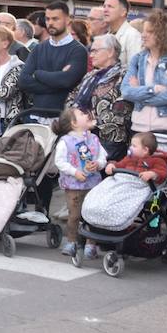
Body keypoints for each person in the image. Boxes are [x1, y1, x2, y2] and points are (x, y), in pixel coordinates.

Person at [65, 34, 132, 161]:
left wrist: (91, 122)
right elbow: (72, 97)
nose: (91, 55)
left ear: (110, 52)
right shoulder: (90, 75)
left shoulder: (123, 74)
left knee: (99, 174)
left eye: (95, 51)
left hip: (108, 138)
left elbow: (123, 107)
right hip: (81, 134)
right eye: (91, 51)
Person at [52, 107, 106, 258]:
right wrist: (74, 172)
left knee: (92, 215)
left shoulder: (94, 139)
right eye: (82, 114)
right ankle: (71, 241)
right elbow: (60, 161)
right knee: (74, 215)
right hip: (73, 185)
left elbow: (103, 156)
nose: (87, 114)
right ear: (73, 123)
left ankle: (91, 244)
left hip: (93, 184)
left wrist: (99, 164)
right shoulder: (66, 142)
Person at [18, 1, 88, 113]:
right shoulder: (39, 48)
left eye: (55, 19)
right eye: (47, 19)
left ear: (68, 20)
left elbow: (66, 81)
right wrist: (59, 85)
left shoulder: (78, 50)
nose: (50, 23)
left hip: (65, 118)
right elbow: (23, 81)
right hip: (37, 114)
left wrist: (37, 73)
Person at [121, 12, 167, 136]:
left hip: (165, 126)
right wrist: (153, 89)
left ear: (162, 34)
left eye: (149, 32)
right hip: (138, 127)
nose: (143, 36)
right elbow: (126, 92)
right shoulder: (137, 59)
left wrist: (138, 92)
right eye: (143, 31)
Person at [103, 130, 167, 184]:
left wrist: (153, 174)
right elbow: (119, 165)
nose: (130, 147)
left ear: (145, 150)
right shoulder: (129, 158)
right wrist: (112, 165)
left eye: (134, 146)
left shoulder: (157, 160)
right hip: (123, 181)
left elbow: (162, 173)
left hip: (138, 186)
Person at [102, 0, 142, 68]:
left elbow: (135, 68)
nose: (105, 10)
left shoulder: (133, 35)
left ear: (123, 12)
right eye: (104, 6)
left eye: (110, 7)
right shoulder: (105, 37)